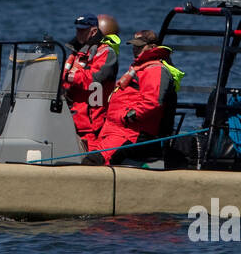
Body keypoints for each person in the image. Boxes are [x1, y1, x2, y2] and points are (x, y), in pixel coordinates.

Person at [86, 30, 185, 165]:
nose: (135, 50)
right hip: (115, 130)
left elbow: (152, 102)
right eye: (134, 46)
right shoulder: (140, 67)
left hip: (131, 133)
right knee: (89, 157)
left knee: (93, 162)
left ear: (152, 47)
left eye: (140, 46)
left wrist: (128, 116)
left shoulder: (155, 70)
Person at [62, 12, 121, 145]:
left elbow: (93, 78)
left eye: (82, 30)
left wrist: (68, 76)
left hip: (91, 122)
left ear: (94, 31)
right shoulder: (77, 52)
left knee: (90, 153)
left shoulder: (106, 53)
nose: (78, 33)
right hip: (72, 117)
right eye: (77, 30)